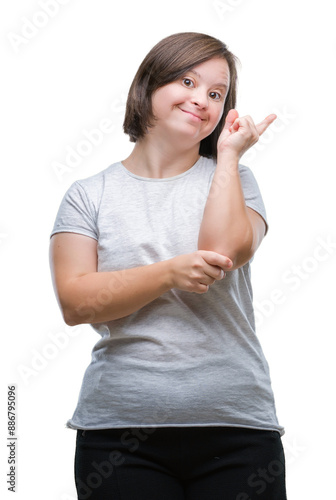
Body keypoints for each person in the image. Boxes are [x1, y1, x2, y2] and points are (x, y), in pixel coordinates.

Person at [49, 32, 287, 500]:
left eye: (217, 94)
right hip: (118, 434)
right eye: (187, 80)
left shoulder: (236, 178)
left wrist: (229, 156)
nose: (201, 99)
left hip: (237, 428)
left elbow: (223, 251)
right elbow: (76, 302)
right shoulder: (87, 194)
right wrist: (168, 274)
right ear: (149, 87)